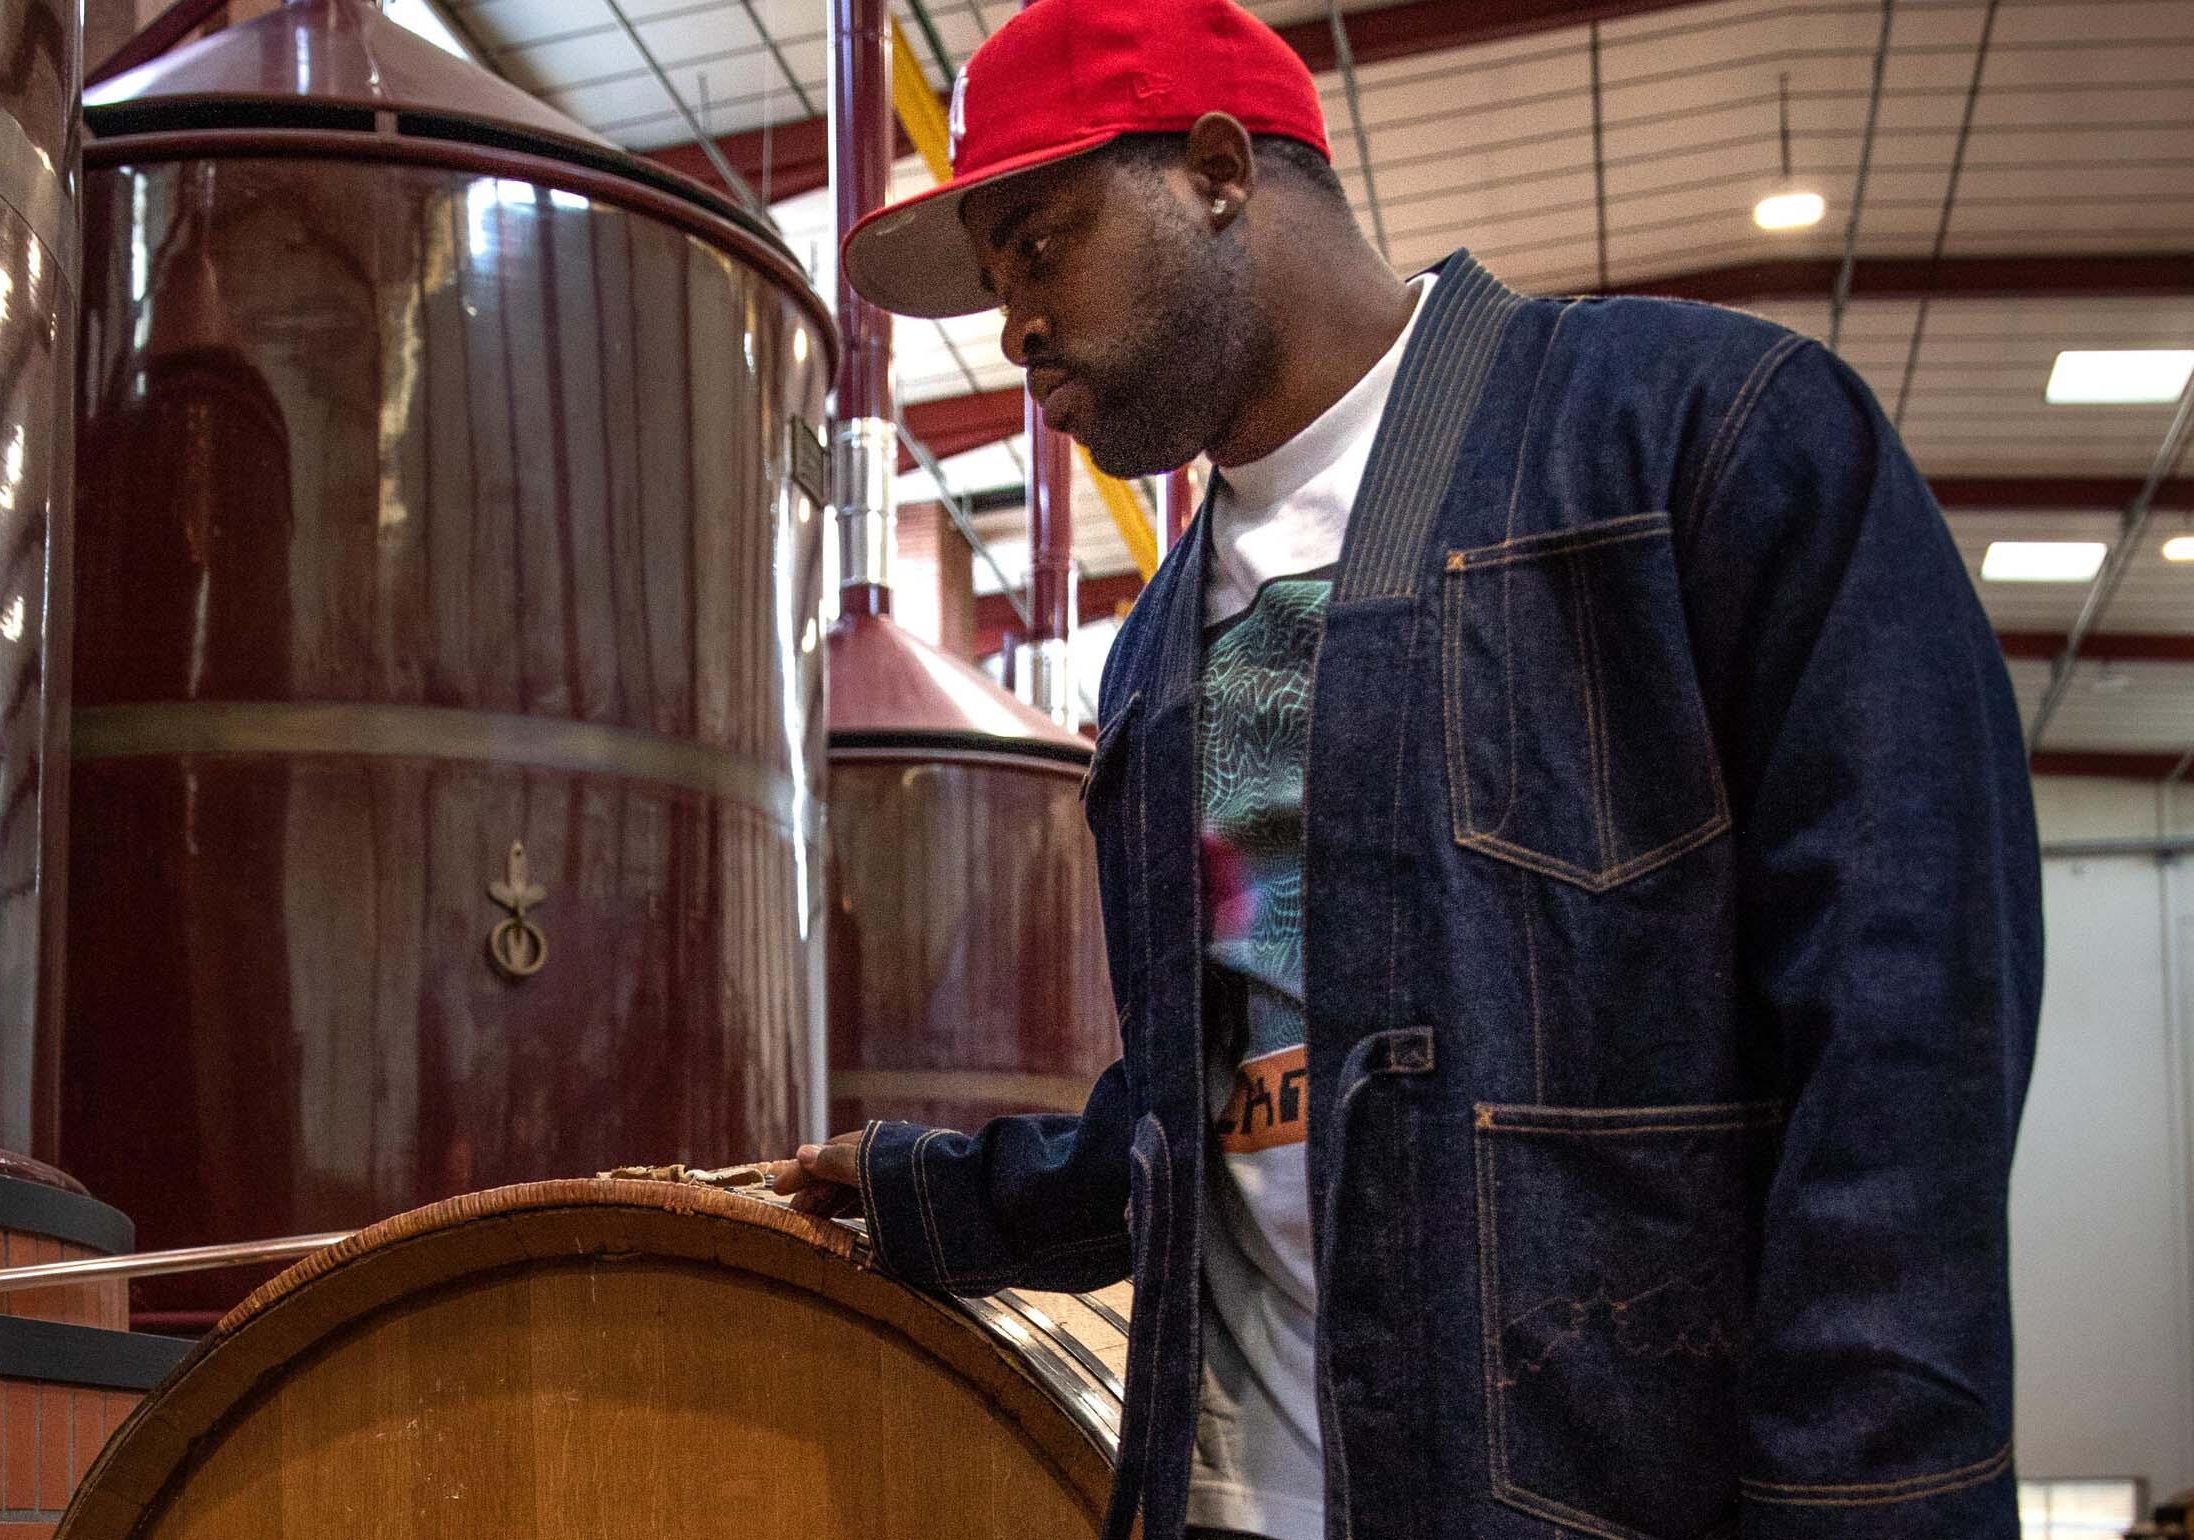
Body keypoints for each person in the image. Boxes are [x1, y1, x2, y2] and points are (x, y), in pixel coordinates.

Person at [770, 1, 2042, 1538]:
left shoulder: (1692, 441)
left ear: (1221, 170)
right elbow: (1210, 1110)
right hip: (1237, 1500)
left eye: (1038, 243)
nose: (1012, 326)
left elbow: (1905, 1052)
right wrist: (931, 1193)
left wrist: (1873, 1503)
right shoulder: (1160, 651)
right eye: (992, 285)